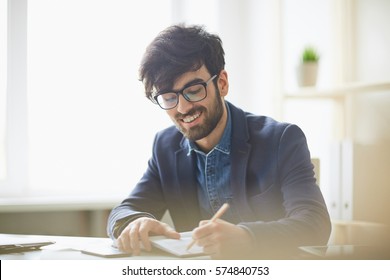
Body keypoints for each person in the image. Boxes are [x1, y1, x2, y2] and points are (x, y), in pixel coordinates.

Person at [107, 24, 331, 259]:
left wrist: (247, 237)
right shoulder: (165, 146)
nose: (183, 108)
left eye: (193, 90)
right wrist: (135, 222)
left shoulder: (281, 139)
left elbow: (315, 224)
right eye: (169, 97)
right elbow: (123, 211)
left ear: (222, 83)